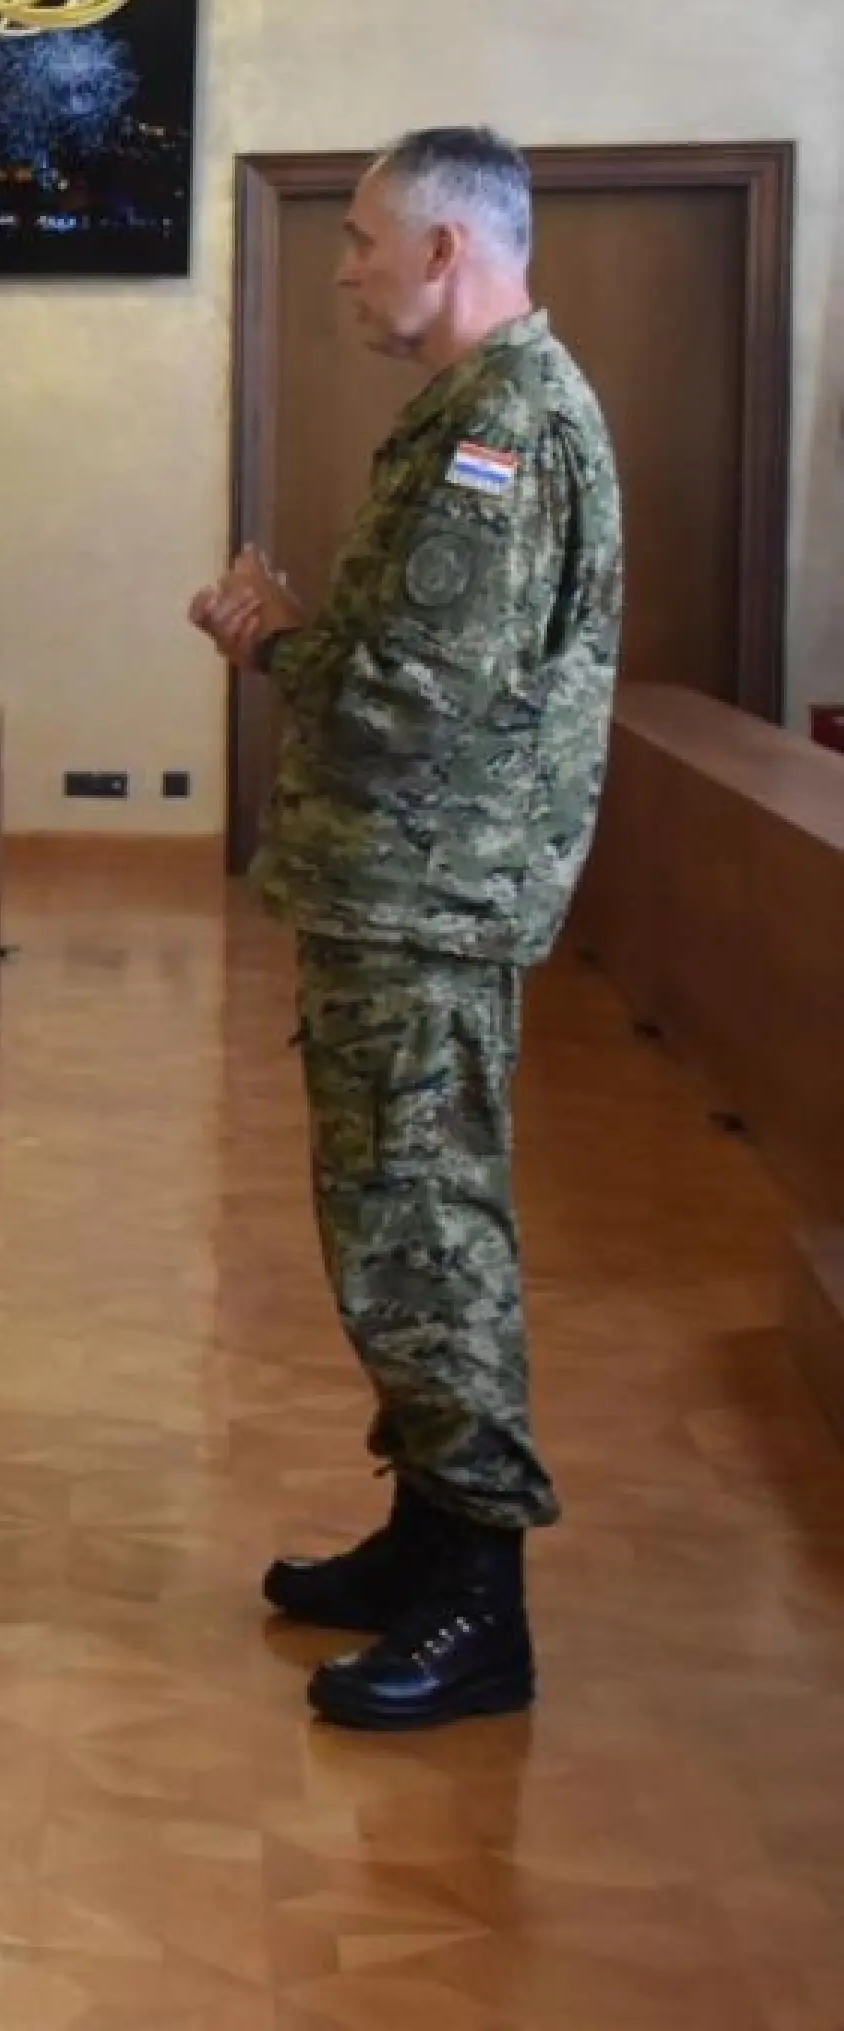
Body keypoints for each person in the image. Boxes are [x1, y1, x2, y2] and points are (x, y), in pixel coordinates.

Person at [188, 125, 622, 1734]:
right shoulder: (475, 413)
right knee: (393, 1223)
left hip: (428, 895)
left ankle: (479, 1600)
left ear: (447, 250)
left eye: (364, 239)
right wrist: (304, 635)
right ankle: (428, 1536)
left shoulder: (502, 430)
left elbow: (414, 703)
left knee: (425, 1239)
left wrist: (273, 641)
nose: (347, 270)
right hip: (404, 890)